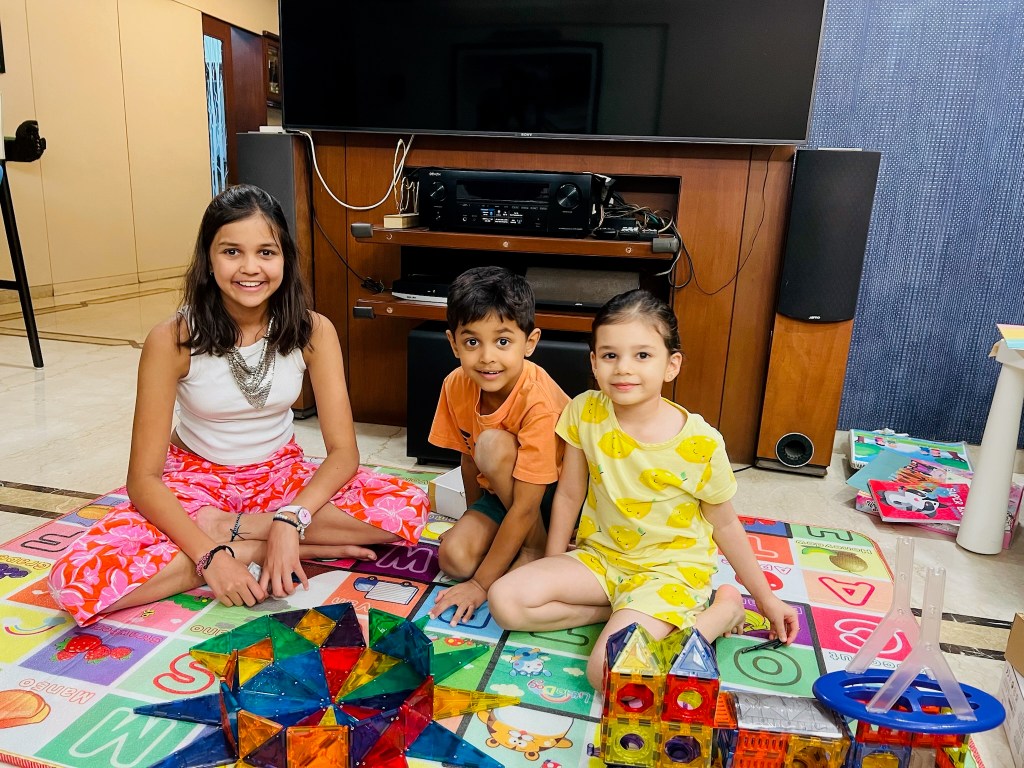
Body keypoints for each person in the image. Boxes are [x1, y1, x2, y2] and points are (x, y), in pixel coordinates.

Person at [48, 184, 429, 626]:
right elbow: (143, 479)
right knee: (74, 581)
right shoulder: (172, 339)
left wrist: (289, 519)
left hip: (280, 475)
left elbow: (344, 453)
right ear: (208, 260)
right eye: (232, 252)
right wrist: (212, 557)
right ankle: (249, 546)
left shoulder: (314, 331)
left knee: (408, 506)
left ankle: (244, 530)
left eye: (266, 252)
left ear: (285, 258)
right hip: (195, 484)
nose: (250, 268)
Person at [488, 289, 798, 689]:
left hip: (667, 572)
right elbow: (569, 494)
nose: (624, 369)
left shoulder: (702, 442)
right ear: (594, 362)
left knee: (605, 674)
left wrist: (766, 598)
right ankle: (625, 613)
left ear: (671, 365)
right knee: (504, 601)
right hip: (602, 559)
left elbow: (725, 525)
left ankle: (721, 611)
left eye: (642, 355)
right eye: (610, 355)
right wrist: (553, 560)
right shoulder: (585, 410)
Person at [427, 266, 570, 626]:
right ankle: (513, 544)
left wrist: (480, 584)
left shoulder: (539, 401)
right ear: (453, 343)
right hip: (505, 494)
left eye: (503, 342)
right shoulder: (455, 385)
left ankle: (535, 547)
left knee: (491, 444)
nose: (487, 357)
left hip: (555, 498)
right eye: (472, 342)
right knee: (454, 558)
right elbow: (467, 458)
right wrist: (473, 517)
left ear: (530, 342)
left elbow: (527, 504)